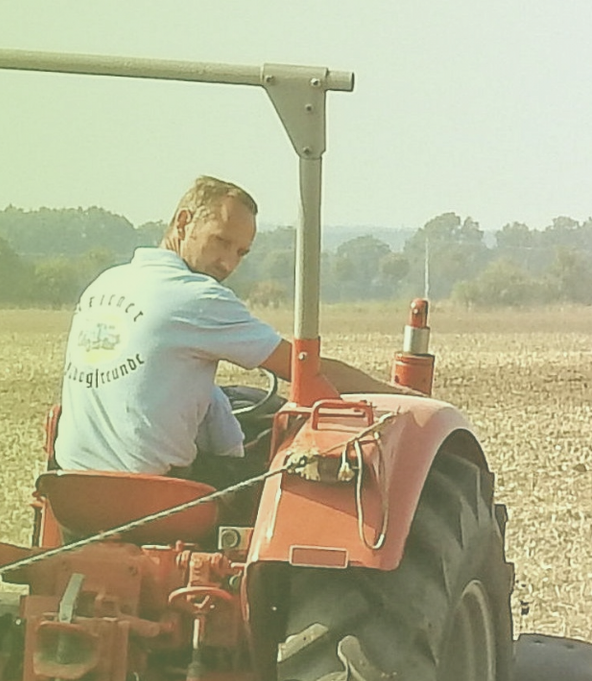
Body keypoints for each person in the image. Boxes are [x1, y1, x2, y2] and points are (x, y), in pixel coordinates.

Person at [54, 174, 402, 481]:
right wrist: (398, 398)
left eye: (241, 252)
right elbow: (306, 368)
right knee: (281, 475)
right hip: (154, 492)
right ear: (183, 222)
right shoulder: (197, 296)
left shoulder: (105, 283)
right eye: (221, 241)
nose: (228, 263)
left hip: (72, 485)